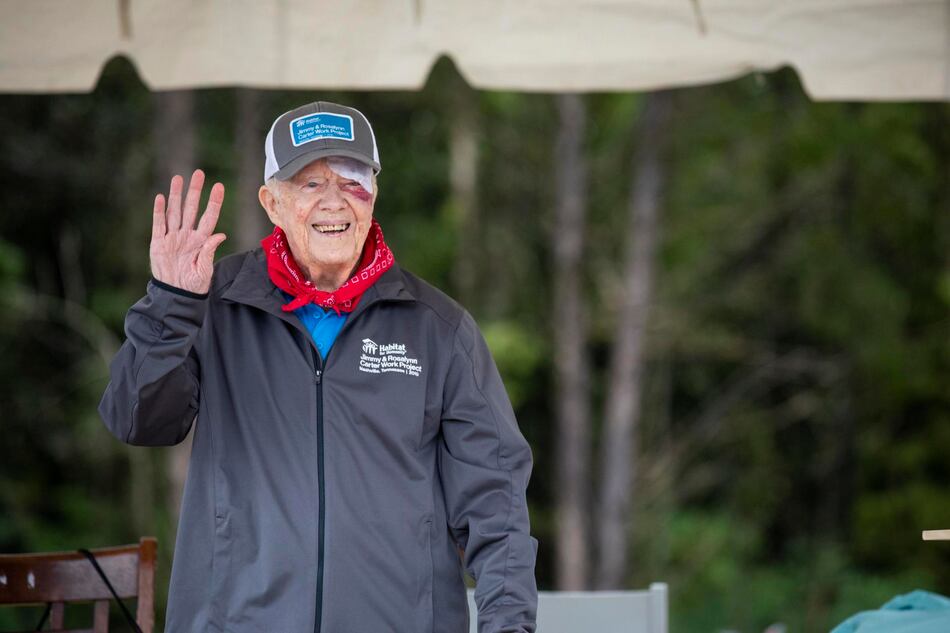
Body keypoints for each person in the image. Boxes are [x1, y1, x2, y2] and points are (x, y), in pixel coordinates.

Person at [99, 100, 539, 633]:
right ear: (272, 202)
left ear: (374, 194)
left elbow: (497, 507)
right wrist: (171, 302)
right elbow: (137, 420)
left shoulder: (439, 330)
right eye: (309, 183)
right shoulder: (212, 306)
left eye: (353, 180)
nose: (335, 201)